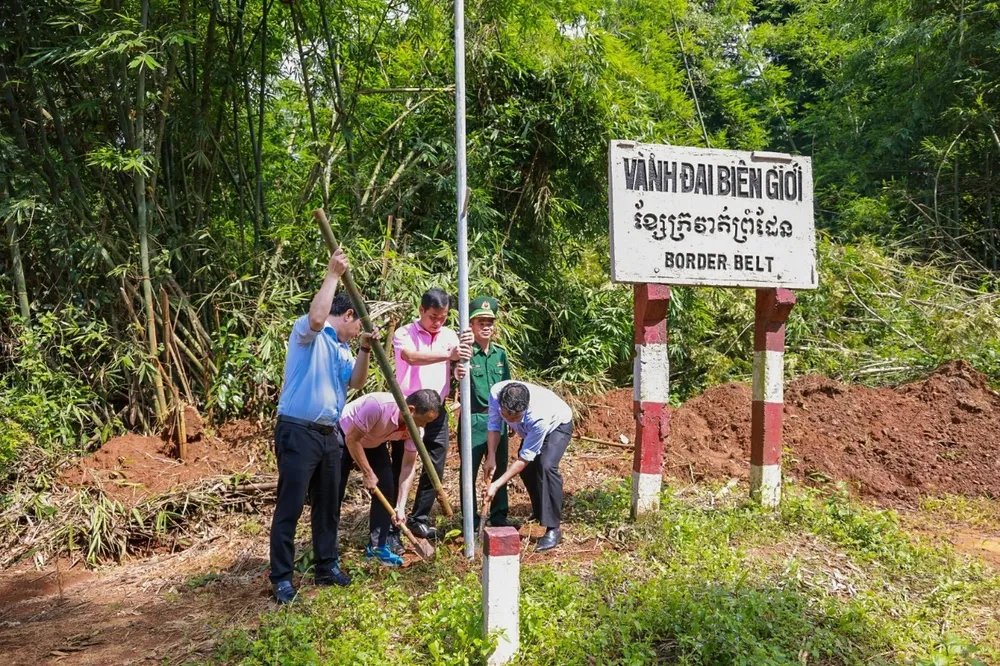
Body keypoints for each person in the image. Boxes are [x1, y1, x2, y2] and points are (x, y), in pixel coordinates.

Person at [269, 248, 375, 604]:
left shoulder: (343, 349)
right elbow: (317, 318)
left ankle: (326, 565)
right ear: (347, 314)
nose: (359, 327)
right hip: (298, 430)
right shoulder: (308, 333)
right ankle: (282, 577)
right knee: (291, 505)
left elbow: (357, 383)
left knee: (328, 505)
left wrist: (364, 349)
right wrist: (332, 274)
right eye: (358, 322)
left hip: (331, 434)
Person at [391, 287, 472, 540]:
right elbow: (411, 358)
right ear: (421, 310)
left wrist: (458, 367)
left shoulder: (449, 335)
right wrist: (449, 355)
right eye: (433, 317)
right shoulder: (404, 334)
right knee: (402, 464)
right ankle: (393, 521)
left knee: (434, 463)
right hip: (410, 410)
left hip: (437, 410)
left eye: (443, 317)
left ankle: (419, 518)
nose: (438, 322)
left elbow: (461, 358)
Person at [338, 389, 442, 567]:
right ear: (410, 409)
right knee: (334, 491)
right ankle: (328, 553)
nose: (423, 427)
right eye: (423, 421)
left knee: (386, 487)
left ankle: (377, 547)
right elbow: (352, 439)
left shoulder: (416, 429)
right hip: (344, 434)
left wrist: (400, 507)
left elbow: (408, 467)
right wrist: (367, 472)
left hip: (372, 441)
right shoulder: (377, 406)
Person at [483, 381, 573, 552]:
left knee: (546, 467)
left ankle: (553, 528)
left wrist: (496, 484)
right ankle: (540, 511)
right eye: (506, 416)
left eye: (515, 418)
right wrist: (491, 456)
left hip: (557, 425)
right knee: (529, 471)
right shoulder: (496, 394)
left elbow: (525, 457)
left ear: (524, 409)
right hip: (530, 429)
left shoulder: (538, 416)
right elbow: (494, 425)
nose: (509, 420)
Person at [454, 296, 514, 528]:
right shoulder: (465, 353)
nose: (486, 326)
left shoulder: (500, 354)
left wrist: (510, 421)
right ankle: (469, 518)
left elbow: (508, 387)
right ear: (471, 325)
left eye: (489, 322)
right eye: (481, 322)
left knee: (498, 466)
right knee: (468, 471)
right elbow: (455, 376)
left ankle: (499, 516)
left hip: (497, 417)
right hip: (473, 418)